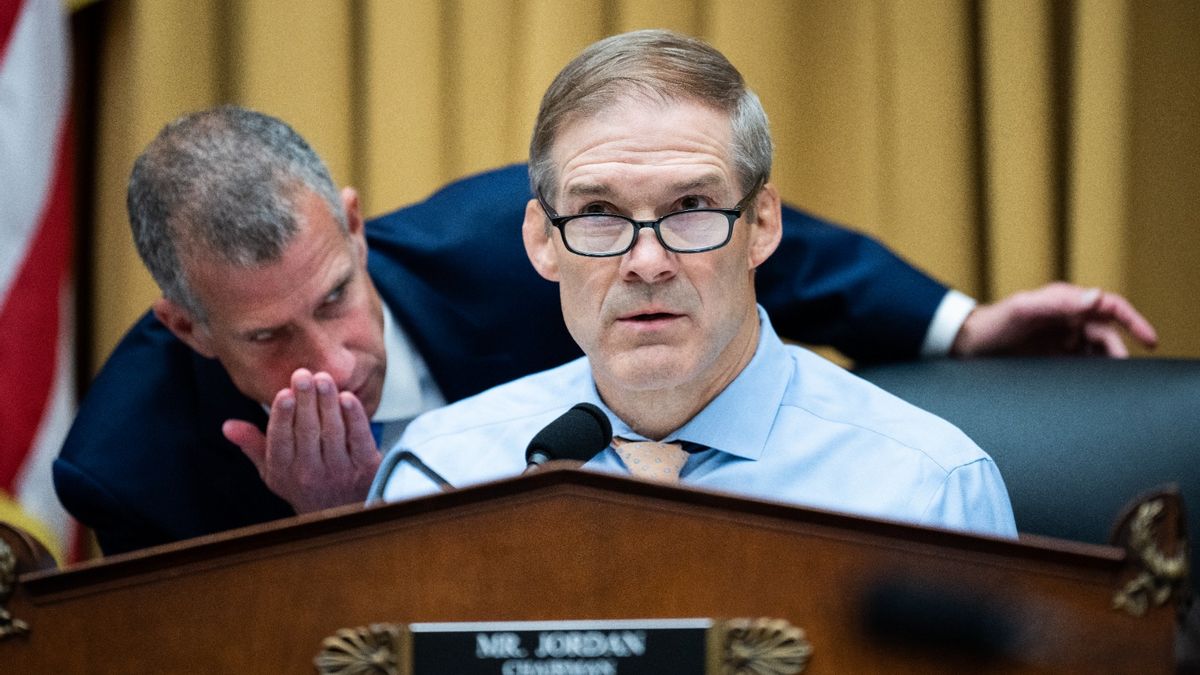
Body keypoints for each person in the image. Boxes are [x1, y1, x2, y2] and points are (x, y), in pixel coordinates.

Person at [55, 88, 1150, 554]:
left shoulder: (503, 236)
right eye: (267, 338)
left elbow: (742, 235)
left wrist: (964, 327)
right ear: (187, 330)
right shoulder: (125, 465)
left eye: (337, 297)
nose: (330, 358)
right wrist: (333, 539)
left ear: (355, 229)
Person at [372, 30, 1021, 536]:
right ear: (542, 241)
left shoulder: (927, 488)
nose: (647, 261)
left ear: (762, 224)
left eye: (689, 208)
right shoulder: (443, 477)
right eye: (598, 213)